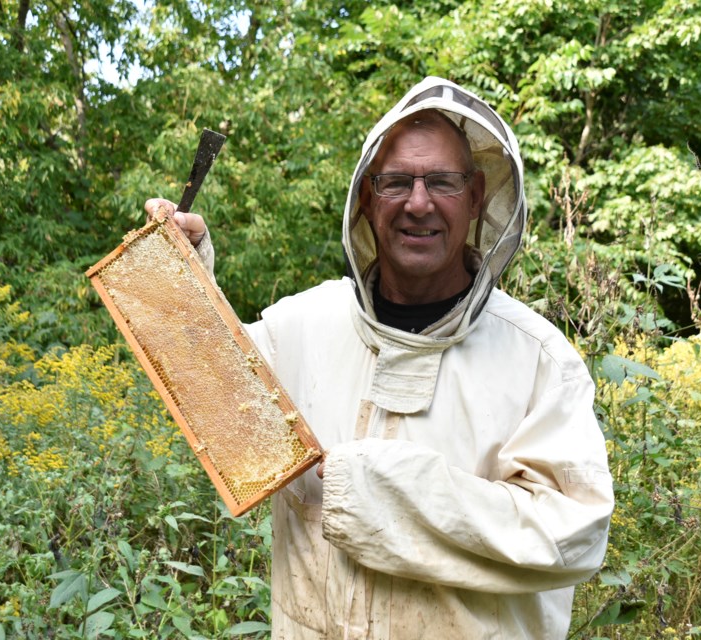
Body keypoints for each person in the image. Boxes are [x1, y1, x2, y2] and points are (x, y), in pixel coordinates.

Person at [146, 77, 613, 639]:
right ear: (367, 199)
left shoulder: (537, 361)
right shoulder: (304, 325)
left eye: (441, 181)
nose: (419, 203)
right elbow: (220, 401)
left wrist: (387, 490)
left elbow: (576, 533)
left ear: (477, 197)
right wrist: (182, 279)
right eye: (396, 182)